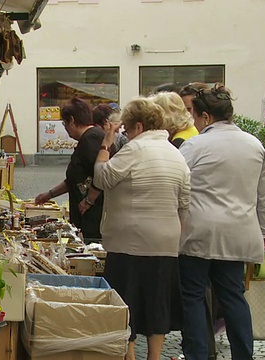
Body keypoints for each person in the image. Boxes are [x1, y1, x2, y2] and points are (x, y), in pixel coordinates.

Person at [178, 84, 265, 360]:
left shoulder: (195, 145)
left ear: (205, 117)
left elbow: (180, 184)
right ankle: (243, 355)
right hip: (239, 232)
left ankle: (198, 354)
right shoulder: (255, 145)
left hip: (199, 230)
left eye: (194, 115)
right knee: (233, 297)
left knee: (193, 296)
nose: (194, 122)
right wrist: (264, 231)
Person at [93, 97, 190, 360]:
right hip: (166, 241)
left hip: (130, 240)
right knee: (158, 300)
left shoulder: (135, 150)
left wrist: (106, 145)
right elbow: (185, 202)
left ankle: (130, 354)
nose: (124, 132)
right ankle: (155, 356)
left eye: (125, 127)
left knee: (128, 299)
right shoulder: (175, 153)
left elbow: (102, 178)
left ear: (138, 125)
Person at [34, 98, 105, 240]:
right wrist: (49, 194)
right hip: (87, 214)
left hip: (94, 215)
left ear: (72, 120)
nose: (65, 128)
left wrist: (89, 201)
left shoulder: (91, 139)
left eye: (64, 123)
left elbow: (102, 173)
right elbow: (73, 179)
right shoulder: (86, 139)